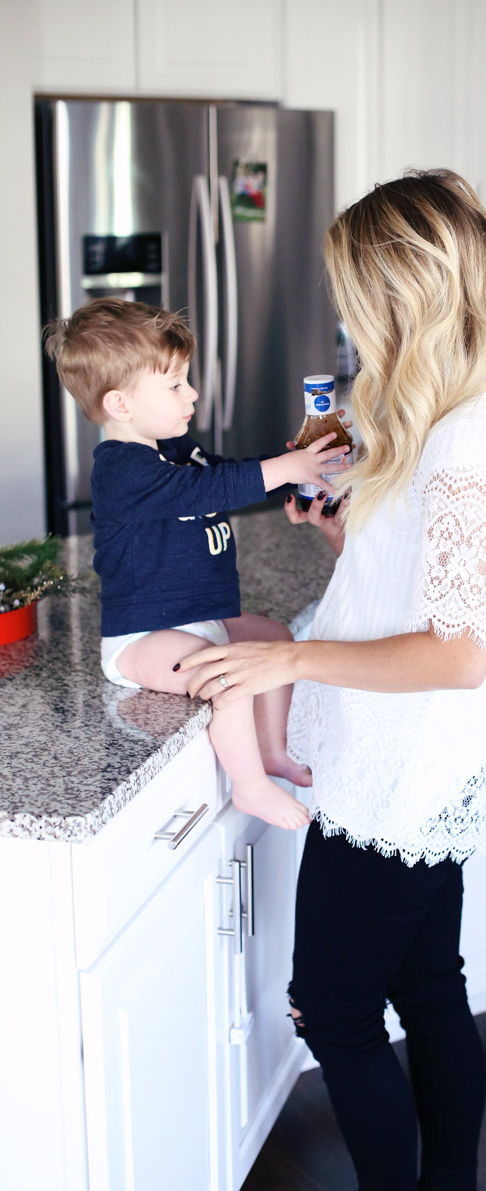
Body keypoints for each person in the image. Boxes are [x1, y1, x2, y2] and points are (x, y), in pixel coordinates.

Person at [179, 170, 486, 1190]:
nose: (346, 315)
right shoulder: (450, 415)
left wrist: (288, 655)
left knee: (335, 1013)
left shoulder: (478, 440)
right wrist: (346, 527)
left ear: (405, 295)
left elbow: (453, 651)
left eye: (355, 293)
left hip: (406, 769)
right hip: (415, 760)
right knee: (430, 986)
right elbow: (423, 584)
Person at [44, 297, 350, 830]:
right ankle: (251, 786)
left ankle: (272, 751)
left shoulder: (173, 448)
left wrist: (287, 469)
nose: (193, 394)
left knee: (276, 638)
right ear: (120, 405)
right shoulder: (121, 468)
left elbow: (222, 474)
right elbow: (203, 489)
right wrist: (283, 468)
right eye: (175, 385)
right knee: (227, 678)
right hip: (143, 637)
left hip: (200, 612)